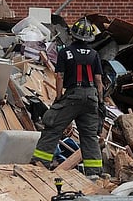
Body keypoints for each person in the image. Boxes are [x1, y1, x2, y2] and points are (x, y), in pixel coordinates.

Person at [31, 17, 104, 177]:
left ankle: (39, 165)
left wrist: (58, 97)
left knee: (52, 127)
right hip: (91, 97)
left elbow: (59, 76)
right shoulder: (94, 54)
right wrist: (100, 100)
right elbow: (98, 80)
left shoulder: (65, 52)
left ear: (73, 34)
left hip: (73, 96)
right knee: (90, 136)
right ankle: (94, 173)